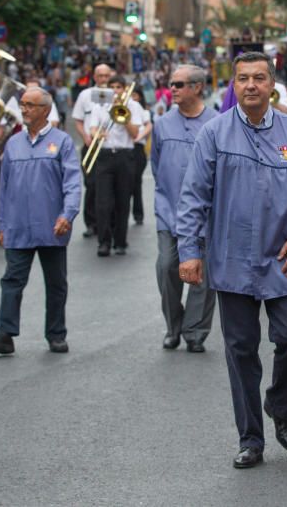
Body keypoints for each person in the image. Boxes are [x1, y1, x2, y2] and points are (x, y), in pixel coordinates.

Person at [176, 51, 287, 469]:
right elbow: (193, 197)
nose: (250, 86)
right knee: (241, 350)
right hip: (232, 259)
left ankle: (280, 405)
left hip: (285, 260)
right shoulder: (214, 134)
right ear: (233, 84)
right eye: (243, 78)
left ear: (272, 84)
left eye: (258, 78)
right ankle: (251, 439)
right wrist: (189, 251)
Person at [0, 87, 81, 355]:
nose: (24, 109)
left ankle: (56, 334)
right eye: (23, 104)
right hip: (18, 225)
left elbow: (72, 184)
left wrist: (67, 214)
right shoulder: (13, 144)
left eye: (30, 105)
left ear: (45, 110)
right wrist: (1, 223)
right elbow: (4, 188)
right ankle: (4, 334)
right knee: (12, 279)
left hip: (52, 225)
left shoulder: (62, 142)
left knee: (56, 283)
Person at [150, 64, 217, 352]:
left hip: (207, 215)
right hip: (169, 211)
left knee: (203, 276)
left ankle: (195, 332)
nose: (172, 89)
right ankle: (173, 325)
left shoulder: (217, 123)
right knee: (167, 268)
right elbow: (156, 165)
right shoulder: (163, 124)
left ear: (197, 87)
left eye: (179, 85)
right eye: (172, 84)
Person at [86, 74, 144, 256]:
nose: (116, 91)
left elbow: (135, 134)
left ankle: (120, 241)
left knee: (123, 201)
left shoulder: (134, 106)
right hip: (104, 155)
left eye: (119, 87)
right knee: (102, 202)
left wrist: (123, 114)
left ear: (125, 89)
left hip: (125, 155)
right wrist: (98, 134)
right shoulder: (99, 106)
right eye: (113, 88)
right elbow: (93, 128)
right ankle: (103, 242)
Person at [72, 64, 114, 238]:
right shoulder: (85, 95)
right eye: (100, 76)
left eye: (106, 76)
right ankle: (91, 223)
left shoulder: (116, 95)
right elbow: (78, 119)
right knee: (91, 185)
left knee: (108, 187)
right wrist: (85, 137)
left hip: (110, 147)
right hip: (91, 144)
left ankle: (108, 222)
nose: (103, 79)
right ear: (95, 77)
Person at [129, 87, 152, 226]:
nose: (132, 98)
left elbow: (148, 128)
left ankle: (138, 214)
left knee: (136, 184)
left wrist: (138, 137)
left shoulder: (144, 112)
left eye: (135, 95)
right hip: (125, 150)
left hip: (137, 149)